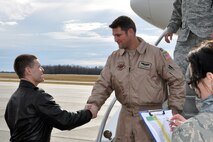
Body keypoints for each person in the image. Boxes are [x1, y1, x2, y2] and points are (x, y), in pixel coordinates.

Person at [85, 16, 185, 142]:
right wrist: (94, 104)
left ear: (131, 32)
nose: (115, 39)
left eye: (118, 35)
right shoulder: (114, 58)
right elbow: (103, 84)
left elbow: (177, 80)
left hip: (150, 117)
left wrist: (174, 109)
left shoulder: (157, 54)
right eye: (114, 36)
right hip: (125, 117)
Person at [4, 54, 98, 142]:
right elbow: (65, 121)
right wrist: (88, 113)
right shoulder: (38, 97)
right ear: (28, 70)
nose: (42, 69)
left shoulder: (13, 98)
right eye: (39, 67)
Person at [164, 0, 213, 118]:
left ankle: (204, 114)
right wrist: (171, 28)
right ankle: (179, 112)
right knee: (176, 73)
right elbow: (177, 8)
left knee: (203, 76)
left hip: (206, 35)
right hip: (186, 36)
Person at [170, 40, 213, 142]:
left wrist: (188, 131)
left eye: (193, 80)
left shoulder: (186, 132)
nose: (193, 87)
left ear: (210, 77)